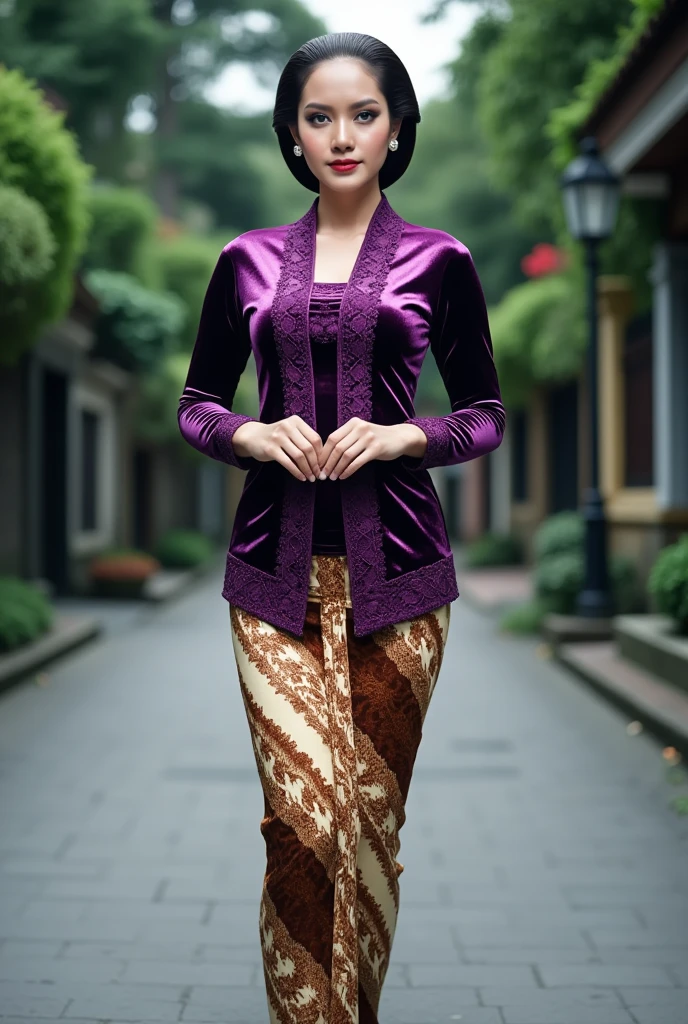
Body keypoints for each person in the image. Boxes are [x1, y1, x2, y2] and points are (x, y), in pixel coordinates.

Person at [178, 31, 505, 1024]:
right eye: (318, 116)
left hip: (400, 583)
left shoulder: (440, 261)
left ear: (397, 126)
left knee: (367, 825)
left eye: (363, 112)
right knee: (300, 820)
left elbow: (482, 412)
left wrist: (405, 434)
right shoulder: (243, 261)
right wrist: (251, 433)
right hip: (270, 579)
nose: (342, 133)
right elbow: (196, 401)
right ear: (291, 133)